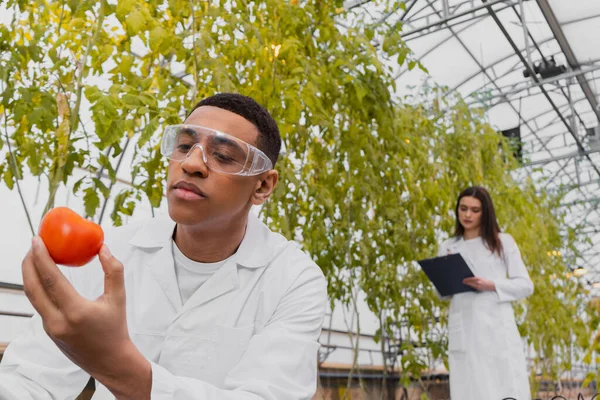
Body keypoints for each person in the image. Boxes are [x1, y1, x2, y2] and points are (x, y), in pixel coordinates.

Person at [0, 93, 328, 400]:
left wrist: (116, 363)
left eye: (224, 156)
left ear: (263, 185)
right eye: (185, 146)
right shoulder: (108, 250)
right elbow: (28, 379)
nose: (192, 164)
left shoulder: (294, 280)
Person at [437, 186, 534, 400]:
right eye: (463, 209)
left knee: (503, 385)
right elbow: (442, 294)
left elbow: (525, 285)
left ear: (486, 212)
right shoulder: (448, 246)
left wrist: (490, 285)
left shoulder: (502, 242)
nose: (467, 215)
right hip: (464, 329)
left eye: (475, 210)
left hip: (495, 329)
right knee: (468, 386)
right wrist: (445, 281)